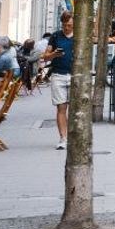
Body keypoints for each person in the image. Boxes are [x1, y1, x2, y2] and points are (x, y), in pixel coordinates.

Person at [41, 12, 75, 150]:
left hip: (75, 75)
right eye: (64, 25)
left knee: (75, 109)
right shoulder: (55, 36)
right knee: (61, 108)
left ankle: (73, 137)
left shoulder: (79, 36)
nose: (67, 28)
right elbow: (45, 57)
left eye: (70, 25)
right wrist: (54, 54)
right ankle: (63, 138)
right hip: (58, 75)